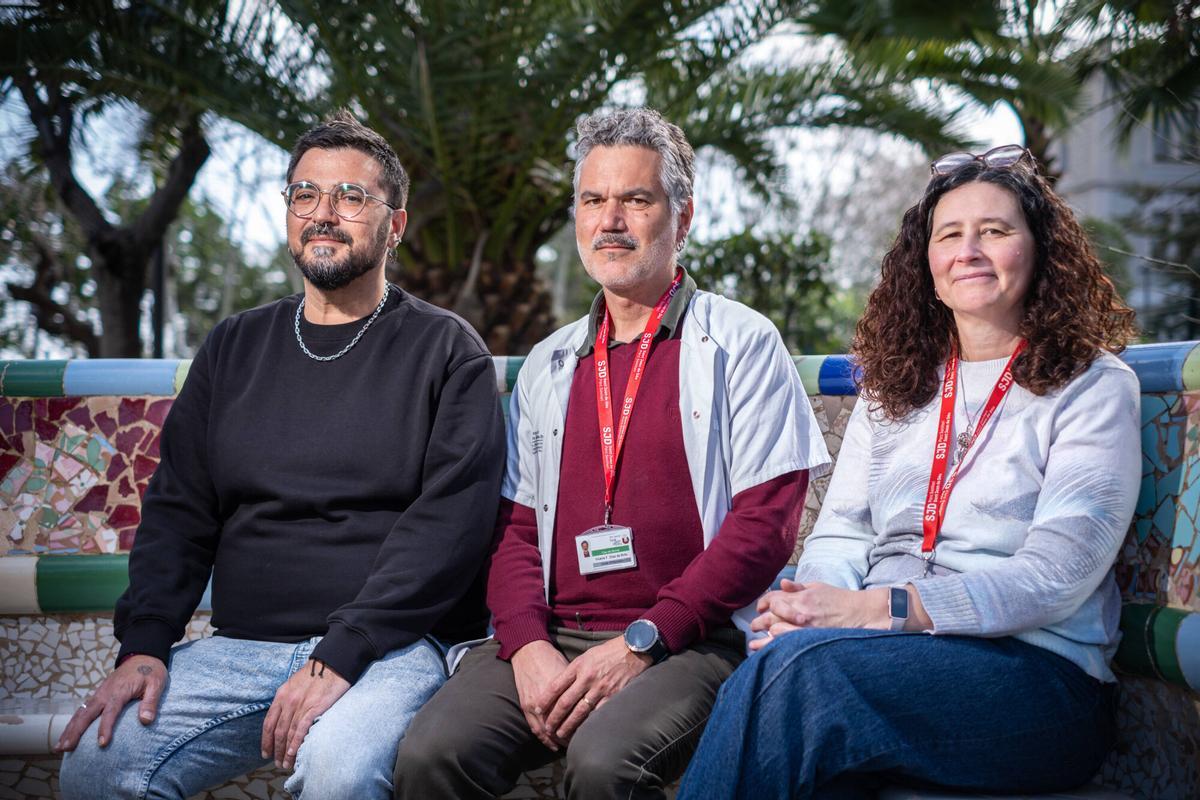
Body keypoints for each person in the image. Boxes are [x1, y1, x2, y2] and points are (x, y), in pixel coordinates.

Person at [56, 111, 506, 800]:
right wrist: (145, 644)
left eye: (351, 197)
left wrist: (342, 652)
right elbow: (179, 510)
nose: (324, 214)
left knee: (341, 771)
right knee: (98, 762)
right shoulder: (234, 347)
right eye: (305, 194)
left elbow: (450, 527)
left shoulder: (446, 351)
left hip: (388, 653)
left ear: (396, 224)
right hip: (239, 652)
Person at [677, 144, 1141, 799]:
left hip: (1038, 680)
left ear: (1042, 252)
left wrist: (879, 609)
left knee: (800, 680)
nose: (968, 250)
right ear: (924, 261)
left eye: (996, 231)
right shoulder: (896, 387)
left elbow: (1056, 577)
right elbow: (840, 535)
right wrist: (814, 609)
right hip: (884, 663)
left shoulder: (1091, 385)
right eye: (949, 234)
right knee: (793, 697)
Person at [393, 107, 830, 800]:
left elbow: (764, 527)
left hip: (689, 640)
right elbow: (512, 528)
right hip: (551, 633)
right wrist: (528, 644)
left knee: (604, 765)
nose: (611, 220)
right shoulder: (549, 361)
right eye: (593, 200)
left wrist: (645, 639)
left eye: (636, 199)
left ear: (681, 221)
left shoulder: (740, 343)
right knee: (430, 753)